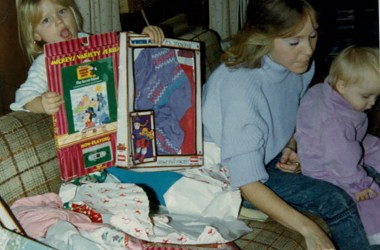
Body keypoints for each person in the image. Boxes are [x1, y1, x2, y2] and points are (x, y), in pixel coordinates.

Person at [201, 0, 373, 249]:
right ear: (263, 38)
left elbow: (296, 115)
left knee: (368, 170)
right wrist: (309, 229)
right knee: (336, 199)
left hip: (268, 157)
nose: (308, 50)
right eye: (294, 42)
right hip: (225, 174)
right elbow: (246, 180)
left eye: (312, 36)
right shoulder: (239, 87)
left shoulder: (298, 68)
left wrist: (292, 144)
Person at [10, 0, 165, 114]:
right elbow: (24, 96)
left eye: (62, 11)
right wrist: (42, 104)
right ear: (36, 35)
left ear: (72, 11)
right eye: (46, 20)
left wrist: (145, 38)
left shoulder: (93, 42)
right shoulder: (44, 63)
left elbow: (129, 54)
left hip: (120, 114)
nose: (58, 21)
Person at [295, 46, 380, 245]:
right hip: (326, 166)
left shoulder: (326, 90)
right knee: (369, 196)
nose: (372, 103)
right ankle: (375, 235)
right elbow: (341, 157)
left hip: (344, 143)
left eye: (376, 97)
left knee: (374, 145)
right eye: (366, 96)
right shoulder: (334, 122)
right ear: (341, 86)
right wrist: (358, 183)